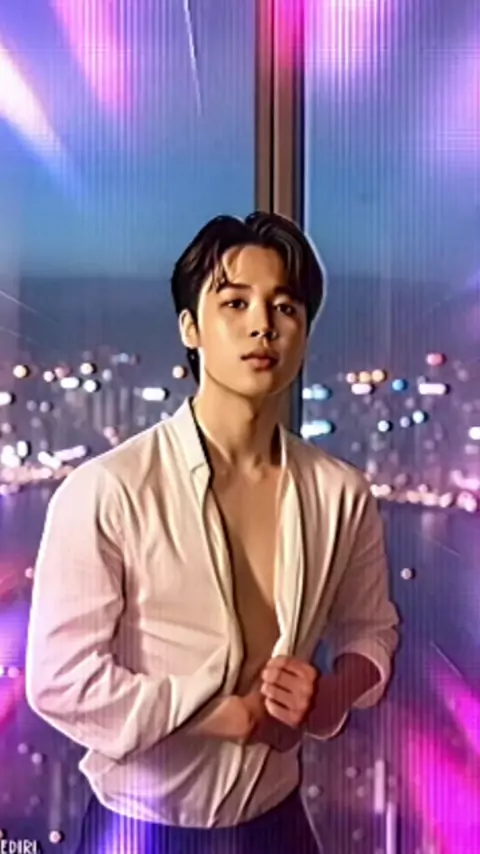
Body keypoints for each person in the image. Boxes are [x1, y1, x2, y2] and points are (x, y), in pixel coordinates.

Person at [26, 212, 399, 854]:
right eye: (235, 303)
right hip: (140, 827)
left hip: (278, 822)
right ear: (190, 328)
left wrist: (331, 697)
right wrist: (216, 715)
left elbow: (372, 629)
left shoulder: (341, 492)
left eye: (285, 307)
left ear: (304, 333)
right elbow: (61, 679)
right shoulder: (109, 489)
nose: (263, 325)